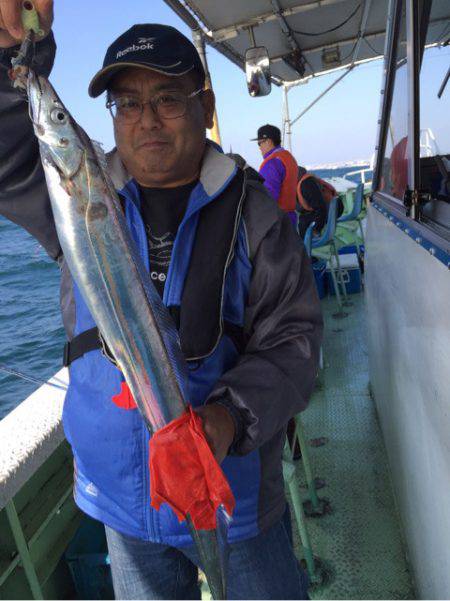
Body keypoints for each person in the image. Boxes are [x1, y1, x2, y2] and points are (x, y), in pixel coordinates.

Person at [0, 4, 323, 599]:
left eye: (167, 99)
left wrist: (225, 420)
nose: (146, 120)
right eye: (127, 102)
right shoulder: (71, 197)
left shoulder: (255, 216)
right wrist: (14, 50)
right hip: (122, 506)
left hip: (233, 502)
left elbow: (295, 345)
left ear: (203, 108)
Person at [253, 124, 299, 228]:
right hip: (291, 218)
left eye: (259, 143)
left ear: (268, 141)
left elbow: (268, 197)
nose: (259, 148)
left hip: (278, 221)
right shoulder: (288, 157)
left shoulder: (271, 163)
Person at [297, 166, 342, 239]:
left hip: (332, 209)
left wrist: (316, 229)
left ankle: (305, 246)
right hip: (331, 207)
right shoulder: (303, 180)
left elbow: (320, 207)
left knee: (303, 223)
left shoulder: (306, 184)